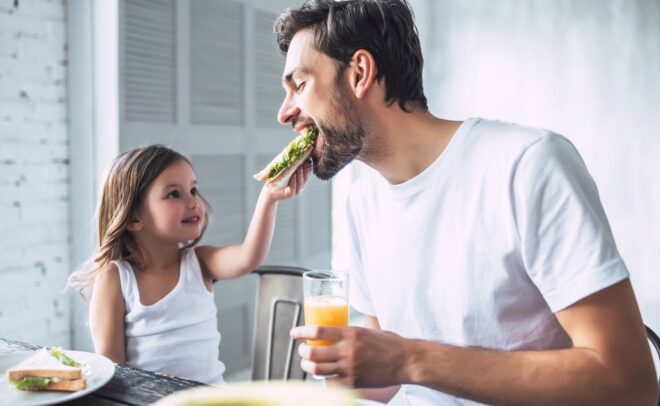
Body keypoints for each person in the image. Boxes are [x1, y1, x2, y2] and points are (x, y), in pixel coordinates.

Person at [276, 1, 659, 404]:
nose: (285, 113)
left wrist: (410, 358)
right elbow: (394, 383)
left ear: (359, 73)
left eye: (299, 86)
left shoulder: (528, 165)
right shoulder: (362, 203)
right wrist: (350, 369)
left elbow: (630, 383)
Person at [68, 145, 311, 385]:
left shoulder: (200, 262)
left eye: (193, 190)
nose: (194, 202)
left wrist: (269, 197)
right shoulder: (116, 278)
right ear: (133, 218)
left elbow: (249, 256)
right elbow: (113, 370)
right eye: (174, 194)